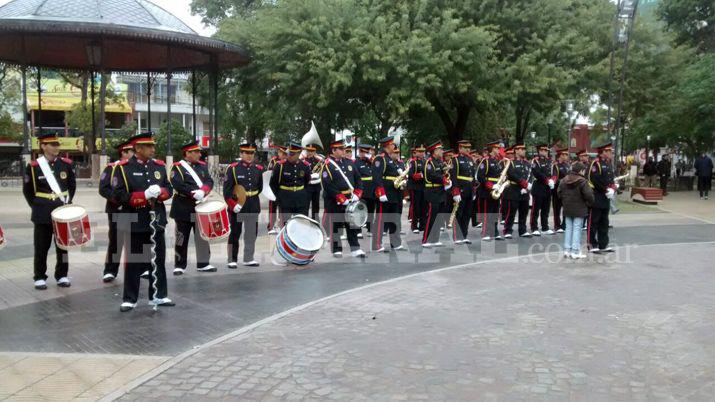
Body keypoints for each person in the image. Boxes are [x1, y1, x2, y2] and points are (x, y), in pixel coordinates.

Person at [110, 132, 174, 312]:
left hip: (156, 221)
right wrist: (143, 196)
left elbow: (169, 189)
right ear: (138, 148)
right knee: (134, 261)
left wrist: (160, 192)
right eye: (149, 146)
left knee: (158, 260)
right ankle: (130, 298)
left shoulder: (159, 167)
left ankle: (160, 295)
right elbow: (118, 195)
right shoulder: (123, 168)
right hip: (135, 220)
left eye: (153, 146)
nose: (153, 149)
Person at [23, 133, 76, 290]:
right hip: (42, 212)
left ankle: (62, 275)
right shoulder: (33, 167)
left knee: (63, 246)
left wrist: (66, 203)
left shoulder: (66, 164)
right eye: (52, 144)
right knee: (41, 246)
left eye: (57, 144)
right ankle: (39, 276)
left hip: (62, 211)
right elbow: (28, 191)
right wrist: (38, 206)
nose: (56, 147)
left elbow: (72, 186)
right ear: (43, 146)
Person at [169, 141, 215, 275]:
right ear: (187, 153)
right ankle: (179, 264)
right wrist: (193, 192)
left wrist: (204, 190)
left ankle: (203, 263)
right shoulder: (177, 167)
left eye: (199, 151)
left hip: (200, 206)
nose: (199, 154)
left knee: (202, 236)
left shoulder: (202, 166)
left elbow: (209, 181)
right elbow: (177, 184)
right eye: (196, 152)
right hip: (183, 206)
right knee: (181, 237)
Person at [322, 140, 366, 258]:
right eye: (341, 149)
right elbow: (327, 185)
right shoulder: (328, 165)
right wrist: (341, 198)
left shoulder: (350, 163)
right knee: (336, 224)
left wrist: (357, 193)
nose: (344, 151)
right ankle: (336, 249)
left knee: (352, 224)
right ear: (333, 151)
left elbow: (358, 179)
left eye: (344, 149)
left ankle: (355, 248)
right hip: (335, 200)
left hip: (351, 198)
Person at [98, 140, 133, 283]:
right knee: (116, 240)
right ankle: (110, 270)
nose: (134, 153)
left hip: (135, 209)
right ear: (123, 153)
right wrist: (117, 200)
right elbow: (103, 188)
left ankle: (141, 268)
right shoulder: (111, 168)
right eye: (131, 151)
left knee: (138, 240)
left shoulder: (137, 167)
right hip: (117, 209)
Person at [224, 143, 264, 267]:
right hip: (238, 205)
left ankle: (248, 258)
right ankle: (232, 259)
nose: (249, 155)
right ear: (241, 154)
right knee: (235, 233)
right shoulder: (233, 168)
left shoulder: (258, 169)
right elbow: (227, 191)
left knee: (251, 233)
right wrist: (232, 204)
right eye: (246, 153)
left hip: (252, 204)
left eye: (252, 153)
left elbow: (260, 188)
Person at [372, 136, 404, 252]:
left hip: (394, 193)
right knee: (380, 219)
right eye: (392, 145)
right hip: (385, 194)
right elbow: (376, 177)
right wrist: (381, 192)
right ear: (387, 146)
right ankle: (376, 245)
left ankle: (395, 243)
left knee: (394, 219)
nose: (394, 146)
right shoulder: (380, 159)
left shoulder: (390, 159)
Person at [557, 162, 594, 259]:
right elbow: (589, 195)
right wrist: (588, 203)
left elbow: (559, 193)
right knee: (577, 229)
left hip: (567, 208)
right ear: (581, 170)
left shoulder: (564, 180)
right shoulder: (582, 181)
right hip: (580, 208)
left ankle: (567, 250)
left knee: (568, 228)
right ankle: (575, 251)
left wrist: (565, 201)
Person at [269, 142, 312, 224]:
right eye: (289, 153)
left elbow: (307, 182)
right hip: (285, 200)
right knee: (286, 225)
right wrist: (279, 197)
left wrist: (304, 195)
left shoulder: (305, 166)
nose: (289, 156)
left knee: (301, 224)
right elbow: (273, 183)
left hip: (301, 200)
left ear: (299, 154)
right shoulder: (280, 166)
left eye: (292, 154)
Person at [587, 142, 617, 253]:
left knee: (604, 221)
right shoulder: (596, 164)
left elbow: (611, 179)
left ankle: (603, 244)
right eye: (608, 151)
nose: (610, 153)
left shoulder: (608, 164)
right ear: (602, 152)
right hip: (597, 196)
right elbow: (594, 179)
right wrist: (606, 189)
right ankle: (592, 244)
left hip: (606, 197)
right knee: (593, 221)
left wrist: (613, 188)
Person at [422, 141, 450, 247]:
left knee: (439, 216)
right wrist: (443, 179)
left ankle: (435, 239)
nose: (442, 151)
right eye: (440, 150)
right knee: (431, 216)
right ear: (435, 151)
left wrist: (447, 176)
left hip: (441, 192)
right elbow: (430, 175)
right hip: (432, 192)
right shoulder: (429, 162)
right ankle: (426, 239)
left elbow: (444, 173)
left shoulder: (440, 162)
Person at [502, 143, 531, 238]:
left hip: (524, 191)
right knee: (511, 212)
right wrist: (523, 183)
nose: (524, 151)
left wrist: (528, 185)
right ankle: (507, 230)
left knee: (524, 211)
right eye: (522, 149)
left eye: (524, 149)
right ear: (516, 151)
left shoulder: (527, 163)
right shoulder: (511, 162)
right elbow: (511, 174)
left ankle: (522, 230)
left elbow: (530, 175)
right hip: (513, 190)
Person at [449, 140, 475, 244]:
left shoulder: (470, 159)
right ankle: (457, 236)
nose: (468, 149)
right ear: (460, 148)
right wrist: (455, 191)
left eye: (469, 147)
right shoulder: (455, 159)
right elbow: (453, 176)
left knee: (467, 214)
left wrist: (474, 190)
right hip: (461, 189)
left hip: (469, 189)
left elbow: (472, 176)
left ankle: (464, 235)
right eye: (465, 147)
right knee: (458, 213)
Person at [476, 141, 502, 241]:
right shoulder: (485, 161)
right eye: (496, 148)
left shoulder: (497, 162)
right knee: (488, 212)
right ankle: (486, 232)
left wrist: (500, 184)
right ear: (492, 150)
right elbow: (480, 176)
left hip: (497, 190)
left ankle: (494, 231)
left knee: (495, 211)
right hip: (487, 191)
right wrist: (491, 186)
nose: (498, 150)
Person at [530, 144, 556, 236]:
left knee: (546, 209)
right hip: (538, 186)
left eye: (546, 150)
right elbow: (537, 173)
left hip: (548, 187)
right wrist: (547, 180)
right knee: (536, 209)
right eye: (542, 150)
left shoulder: (550, 161)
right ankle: (534, 227)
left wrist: (553, 179)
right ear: (539, 151)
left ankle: (545, 227)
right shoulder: (535, 161)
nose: (544, 152)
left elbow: (554, 171)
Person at [354, 144, 375, 238]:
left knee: (371, 210)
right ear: (359, 152)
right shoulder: (356, 162)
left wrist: (371, 159)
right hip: (362, 188)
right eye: (363, 152)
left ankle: (370, 228)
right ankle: (358, 230)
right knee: (360, 210)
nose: (365, 154)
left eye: (367, 152)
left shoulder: (371, 162)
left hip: (371, 189)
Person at [266, 145, 286, 234]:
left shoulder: (287, 161)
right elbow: (269, 174)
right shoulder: (274, 161)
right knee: (272, 208)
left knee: (282, 208)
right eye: (283, 153)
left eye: (286, 153)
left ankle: (282, 226)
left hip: (283, 189)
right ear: (279, 153)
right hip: (273, 188)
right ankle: (271, 226)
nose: (284, 155)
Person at [408, 145, 426, 234]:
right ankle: (414, 226)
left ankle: (422, 225)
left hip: (423, 187)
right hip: (415, 187)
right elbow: (410, 174)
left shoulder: (426, 162)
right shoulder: (413, 162)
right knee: (415, 206)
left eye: (423, 152)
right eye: (420, 152)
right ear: (416, 153)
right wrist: (419, 175)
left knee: (423, 206)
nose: (422, 153)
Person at [552, 148, 570, 233]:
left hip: (566, 190)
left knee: (566, 208)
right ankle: (557, 225)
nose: (566, 156)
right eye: (564, 155)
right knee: (557, 208)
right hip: (558, 190)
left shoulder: (567, 165)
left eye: (566, 154)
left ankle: (564, 225)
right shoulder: (556, 166)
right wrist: (563, 180)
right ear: (560, 155)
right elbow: (555, 177)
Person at [304, 144, 323, 221]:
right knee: (306, 204)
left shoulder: (318, 160)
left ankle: (315, 220)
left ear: (315, 151)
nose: (310, 152)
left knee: (316, 205)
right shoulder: (303, 160)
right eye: (308, 150)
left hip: (316, 186)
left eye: (312, 151)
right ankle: (304, 219)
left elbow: (322, 171)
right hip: (308, 185)